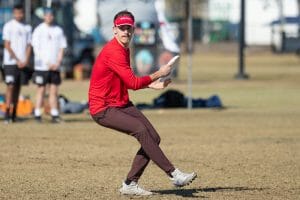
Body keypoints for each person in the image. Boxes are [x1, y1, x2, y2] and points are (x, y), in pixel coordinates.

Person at [88, 10, 197, 196]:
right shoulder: (114, 51)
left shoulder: (124, 48)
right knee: (140, 130)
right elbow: (133, 83)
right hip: (103, 108)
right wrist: (158, 73)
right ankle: (173, 174)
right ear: (114, 30)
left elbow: (126, 81)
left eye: (128, 28)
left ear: (133, 29)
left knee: (153, 138)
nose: (125, 32)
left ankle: (130, 183)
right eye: (121, 28)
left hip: (120, 103)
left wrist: (151, 85)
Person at [31, 8, 67, 123]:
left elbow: (62, 47)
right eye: (47, 15)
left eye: (51, 15)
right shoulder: (38, 30)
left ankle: (54, 114)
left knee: (54, 91)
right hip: (42, 67)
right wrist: (47, 62)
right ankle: (37, 113)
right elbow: (36, 49)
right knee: (41, 90)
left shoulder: (58, 30)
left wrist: (57, 62)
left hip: (55, 66)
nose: (49, 17)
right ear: (44, 16)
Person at [2, 4, 32, 124]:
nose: (18, 15)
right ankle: (7, 114)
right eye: (16, 13)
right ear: (13, 13)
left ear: (23, 13)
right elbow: (7, 45)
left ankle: (14, 114)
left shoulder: (27, 27)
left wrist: (25, 60)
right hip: (10, 63)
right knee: (10, 87)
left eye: (20, 13)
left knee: (18, 88)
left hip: (22, 63)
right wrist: (17, 60)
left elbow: (29, 45)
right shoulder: (8, 26)